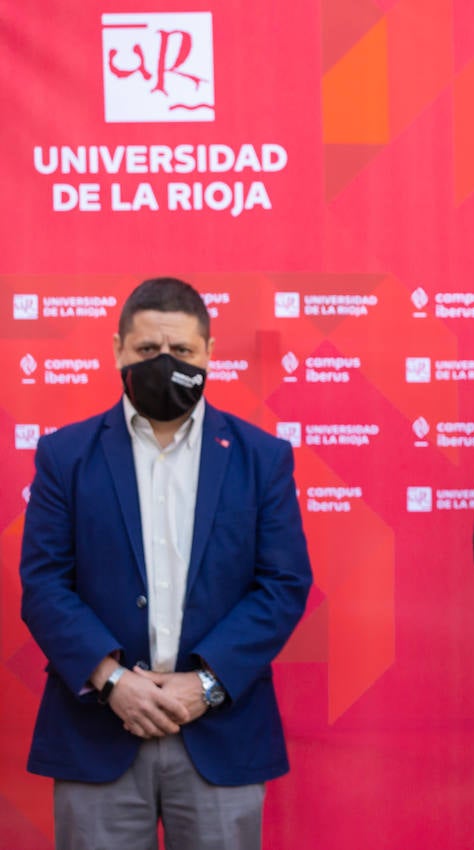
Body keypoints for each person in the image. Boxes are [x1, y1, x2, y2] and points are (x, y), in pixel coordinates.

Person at [20, 277, 313, 850]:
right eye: (146, 350)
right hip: (97, 732)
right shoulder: (65, 456)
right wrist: (112, 681)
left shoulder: (262, 458)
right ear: (116, 351)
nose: (164, 363)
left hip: (219, 732)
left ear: (208, 354)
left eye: (181, 352)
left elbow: (283, 585)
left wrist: (204, 685)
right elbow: (44, 584)